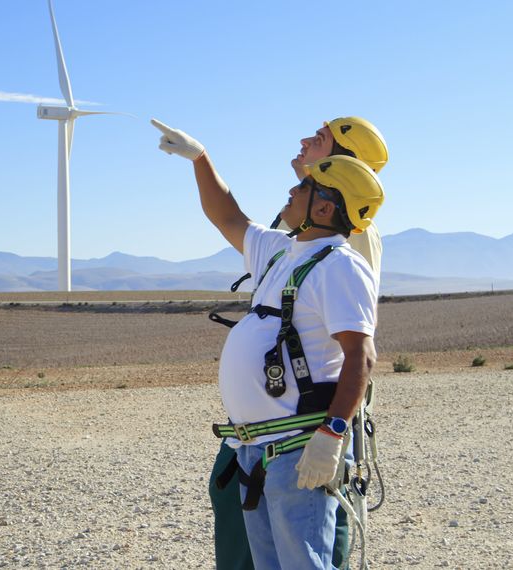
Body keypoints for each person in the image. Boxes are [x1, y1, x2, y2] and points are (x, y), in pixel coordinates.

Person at [152, 118, 383, 569]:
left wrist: (332, 433)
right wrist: (200, 158)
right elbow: (228, 216)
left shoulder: (342, 264)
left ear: (323, 208)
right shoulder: (279, 249)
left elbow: (361, 355)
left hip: (300, 447)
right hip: (256, 449)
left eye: (304, 187)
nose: (292, 191)